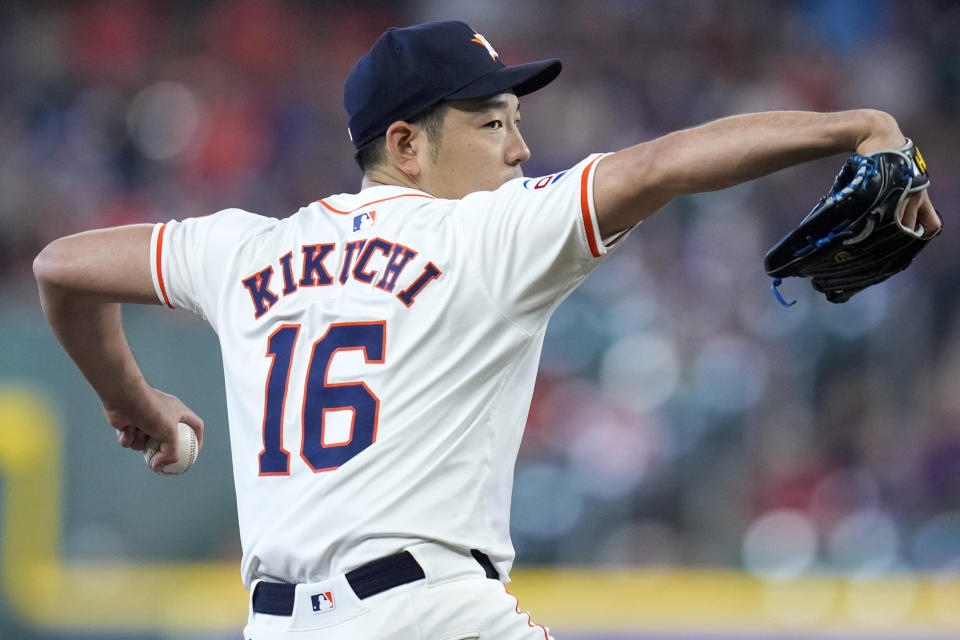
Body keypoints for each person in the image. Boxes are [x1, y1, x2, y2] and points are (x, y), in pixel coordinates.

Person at [34, 20, 940, 640]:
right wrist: (854, 126)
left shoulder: (246, 251)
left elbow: (63, 269)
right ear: (406, 146)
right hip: (433, 614)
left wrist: (136, 402)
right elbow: (661, 163)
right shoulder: (487, 233)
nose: (518, 150)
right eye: (492, 122)